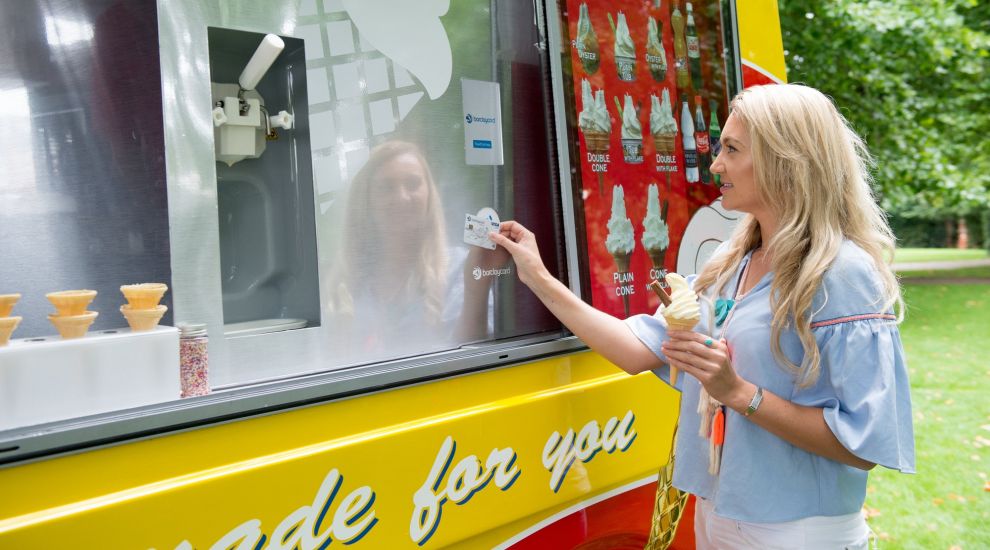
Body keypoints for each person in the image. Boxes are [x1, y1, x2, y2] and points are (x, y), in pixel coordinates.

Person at [490, 84, 914, 549]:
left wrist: (737, 392)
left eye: (732, 150)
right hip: (715, 518)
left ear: (785, 160)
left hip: (797, 531)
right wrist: (536, 276)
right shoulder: (734, 261)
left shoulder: (842, 274)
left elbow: (861, 445)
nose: (715, 165)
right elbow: (636, 350)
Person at [323, 140, 507, 362]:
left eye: (413, 183)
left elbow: (473, 359)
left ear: (430, 195)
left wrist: (477, 281)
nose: (402, 197)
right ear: (366, 202)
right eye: (386, 187)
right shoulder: (348, 281)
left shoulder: (460, 267)